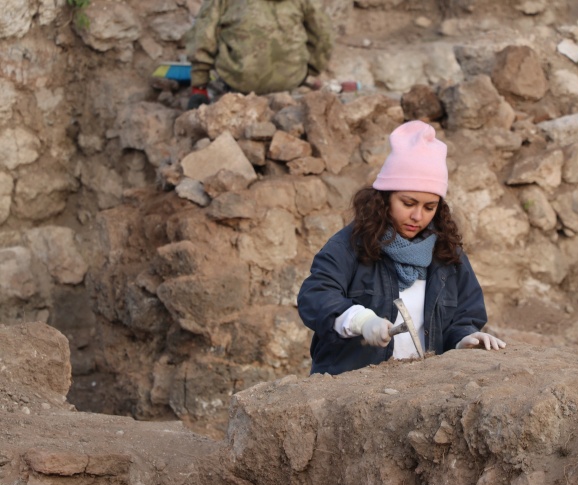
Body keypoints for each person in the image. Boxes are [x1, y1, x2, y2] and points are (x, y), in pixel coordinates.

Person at [297, 120, 506, 375]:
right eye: (408, 203)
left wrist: (464, 339)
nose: (418, 216)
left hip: (419, 394)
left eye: (430, 207)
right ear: (385, 198)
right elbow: (316, 296)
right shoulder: (349, 245)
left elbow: (465, 315)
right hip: (351, 394)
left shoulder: (447, 255)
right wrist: (360, 320)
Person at [184, 0, 334, 110]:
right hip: (291, 78)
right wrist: (309, 71)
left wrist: (199, 84)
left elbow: (203, 36)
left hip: (239, 79)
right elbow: (323, 35)